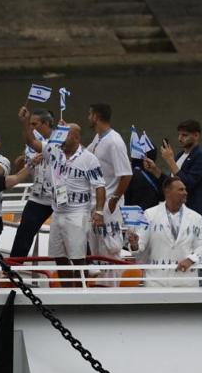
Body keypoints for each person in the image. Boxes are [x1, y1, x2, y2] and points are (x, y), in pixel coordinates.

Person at [24, 122, 104, 279]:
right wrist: (25, 124)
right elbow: (32, 142)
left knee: (78, 257)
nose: (60, 139)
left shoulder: (89, 159)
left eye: (65, 135)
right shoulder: (54, 151)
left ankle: (81, 290)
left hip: (77, 212)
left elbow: (99, 186)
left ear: (75, 137)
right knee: (58, 256)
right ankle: (67, 288)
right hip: (58, 211)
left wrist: (99, 211)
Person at [128, 176, 202, 289]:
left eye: (185, 189)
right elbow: (140, 245)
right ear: (168, 191)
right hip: (157, 282)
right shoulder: (149, 215)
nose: (185, 192)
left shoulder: (195, 217)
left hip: (186, 282)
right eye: (181, 189)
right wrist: (135, 244)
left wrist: (191, 259)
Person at [85, 103, 133, 258]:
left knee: (110, 248)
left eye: (90, 115)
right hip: (95, 203)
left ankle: (112, 282)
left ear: (96, 117)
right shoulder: (98, 138)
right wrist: (69, 134)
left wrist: (114, 200)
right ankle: (100, 282)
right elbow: (83, 154)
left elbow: (126, 174)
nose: (88, 118)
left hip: (109, 205)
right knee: (96, 249)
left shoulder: (114, 142)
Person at [11, 108, 56, 258]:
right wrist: (21, 162)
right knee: (24, 233)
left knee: (69, 232)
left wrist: (24, 124)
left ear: (47, 123)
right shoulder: (30, 145)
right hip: (38, 196)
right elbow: (22, 171)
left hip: (59, 198)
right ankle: (11, 270)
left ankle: (89, 268)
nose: (31, 127)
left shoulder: (62, 142)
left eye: (34, 124)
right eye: (30, 124)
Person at [154, 119, 202, 226]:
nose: (180, 139)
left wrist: (170, 161)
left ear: (196, 135)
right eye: (179, 135)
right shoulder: (180, 156)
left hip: (195, 216)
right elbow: (172, 184)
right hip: (177, 215)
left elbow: (187, 184)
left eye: (184, 135)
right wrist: (155, 170)